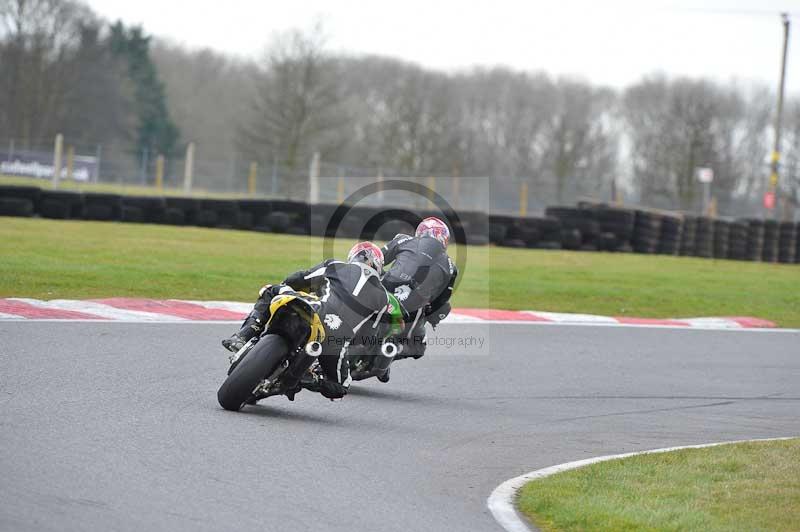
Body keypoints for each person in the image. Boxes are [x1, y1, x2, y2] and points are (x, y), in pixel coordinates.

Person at [221, 242, 395, 399]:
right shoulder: (384, 299)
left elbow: (299, 278)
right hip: (335, 339)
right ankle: (311, 379)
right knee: (340, 386)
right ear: (379, 266)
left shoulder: (335, 265)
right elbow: (371, 332)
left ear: (353, 257)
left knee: (270, 290)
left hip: (315, 309)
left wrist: (288, 287)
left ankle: (243, 336)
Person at [380, 216, 457, 361]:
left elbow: (377, 259)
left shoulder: (403, 240)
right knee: (418, 347)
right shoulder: (451, 267)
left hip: (384, 291)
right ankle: (392, 351)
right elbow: (440, 302)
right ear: (443, 238)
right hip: (412, 309)